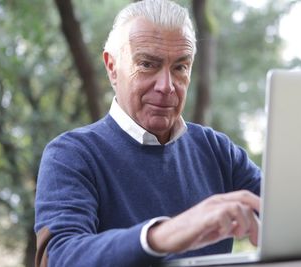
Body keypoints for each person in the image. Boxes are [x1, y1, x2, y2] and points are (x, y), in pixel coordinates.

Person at [34, 0, 261, 266]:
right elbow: (60, 256)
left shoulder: (216, 149)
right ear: (112, 67)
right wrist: (162, 235)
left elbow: (289, 213)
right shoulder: (71, 154)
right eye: (148, 64)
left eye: (180, 67)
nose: (167, 86)